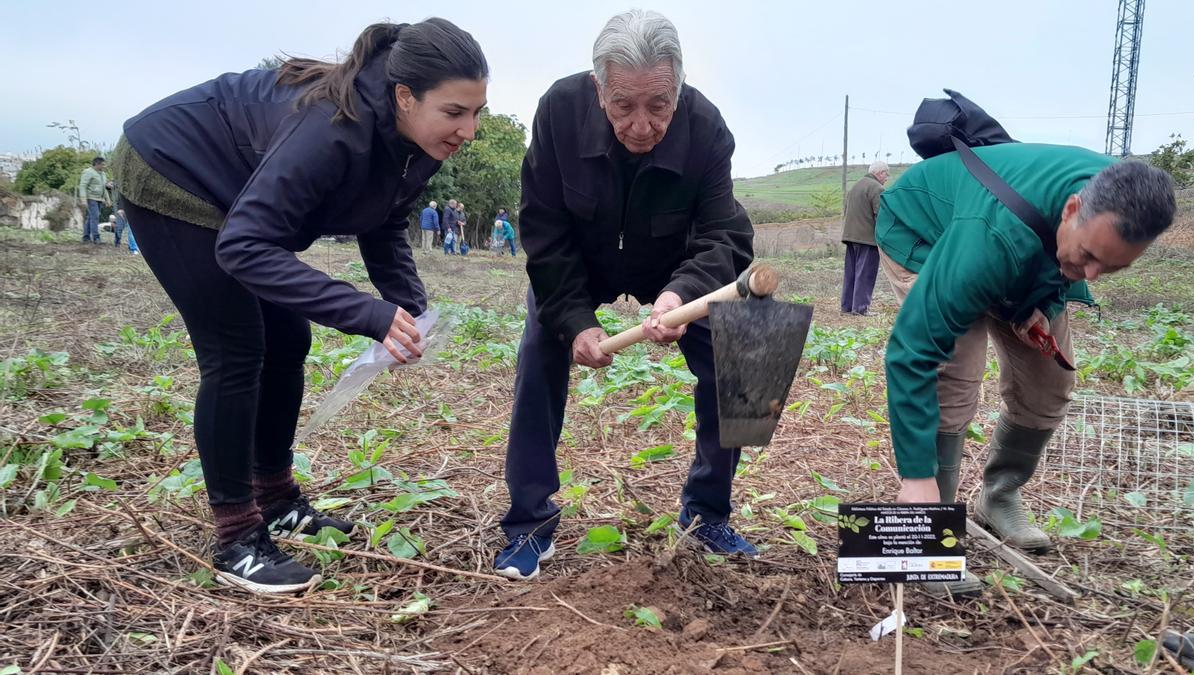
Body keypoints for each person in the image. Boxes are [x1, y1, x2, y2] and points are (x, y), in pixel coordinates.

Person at [109, 19, 488, 594]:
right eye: (456, 112)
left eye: (478, 110)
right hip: (176, 168)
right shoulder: (332, 130)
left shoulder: (420, 141)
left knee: (289, 342)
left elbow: (384, 221)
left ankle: (278, 497)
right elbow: (242, 245)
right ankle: (237, 536)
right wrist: (367, 314)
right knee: (237, 350)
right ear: (405, 97)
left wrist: (410, 309)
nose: (471, 130)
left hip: (240, 195)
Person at [494, 9, 754, 581]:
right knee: (540, 353)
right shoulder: (559, 111)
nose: (641, 125)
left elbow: (725, 236)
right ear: (598, 89)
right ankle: (527, 523)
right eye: (623, 105)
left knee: (747, 345)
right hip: (581, 263)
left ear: (678, 90)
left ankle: (707, 511)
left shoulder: (707, 127)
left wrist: (681, 295)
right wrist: (573, 318)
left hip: (672, 266)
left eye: (658, 105)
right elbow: (543, 227)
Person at [879, 145, 1175, 595]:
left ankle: (998, 496)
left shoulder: (1117, 197)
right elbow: (912, 350)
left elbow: (1067, 264)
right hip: (926, 228)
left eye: (1112, 268)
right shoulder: (990, 240)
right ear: (1072, 210)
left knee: (1049, 382)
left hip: (1018, 240)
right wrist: (915, 478)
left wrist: (1041, 302)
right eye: (1089, 257)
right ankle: (929, 530)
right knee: (954, 378)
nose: (1091, 276)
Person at [840, 161, 888, 315]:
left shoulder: (856, 186)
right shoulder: (877, 188)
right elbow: (881, 216)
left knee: (851, 273)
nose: (886, 178)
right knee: (865, 274)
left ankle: (847, 307)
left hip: (850, 236)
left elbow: (846, 210)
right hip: (867, 238)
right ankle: (861, 308)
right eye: (886, 174)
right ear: (880, 173)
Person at [78, 156, 109, 244]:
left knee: (91, 217)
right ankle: (96, 238)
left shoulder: (103, 174)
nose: (104, 166)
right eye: (102, 164)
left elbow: (104, 187)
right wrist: (83, 199)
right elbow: (83, 186)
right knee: (95, 217)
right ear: (97, 164)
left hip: (100, 199)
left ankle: (86, 237)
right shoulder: (88, 172)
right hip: (91, 198)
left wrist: (107, 199)